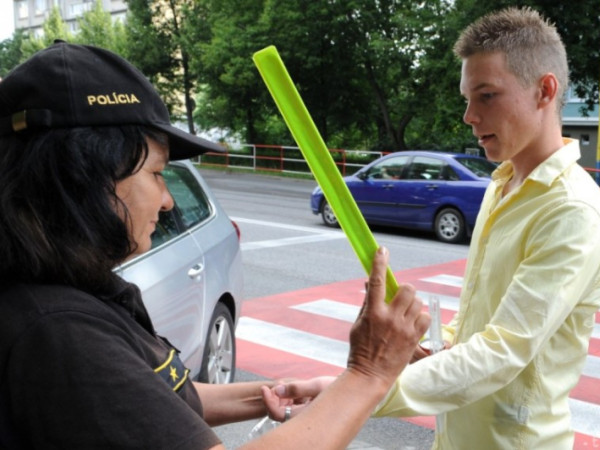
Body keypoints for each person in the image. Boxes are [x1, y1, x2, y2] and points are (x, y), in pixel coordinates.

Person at [0, 41, 430, 449]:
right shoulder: (56, 332)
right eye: (155, 173)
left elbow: (152, 400)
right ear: (84, 176)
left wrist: (270, 394)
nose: (168, 200)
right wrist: (368, 373)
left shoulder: (68, 288)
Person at [272, 7, 600, 449]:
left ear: (545, 90)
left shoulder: (572, 209)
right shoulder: (501, 183)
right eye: (467, 98)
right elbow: (483, 308)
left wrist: (355, 393)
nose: (468, 115)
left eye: (486, 96)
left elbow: (504, 350)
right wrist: (439, 343)